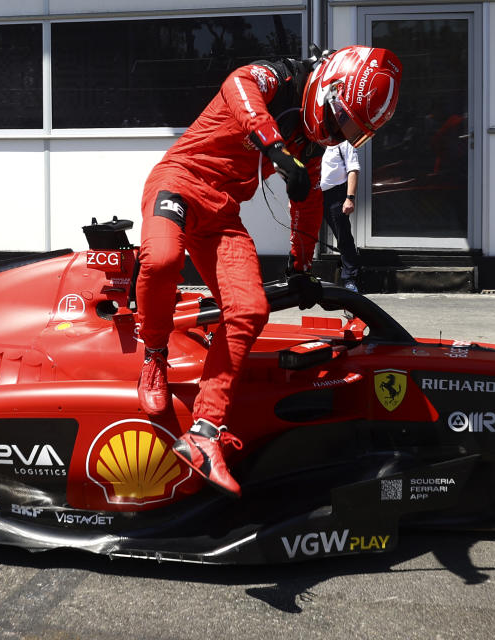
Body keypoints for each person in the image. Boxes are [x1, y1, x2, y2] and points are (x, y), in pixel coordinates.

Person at [135, 45, 402, 497]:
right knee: (162, 260)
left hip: (222, 215)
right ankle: (154, 356)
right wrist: (276, 148)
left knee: (251, 309)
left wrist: (300, 265)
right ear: (332, 85)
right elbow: (237, 83)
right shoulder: (280, 79)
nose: (339, 132)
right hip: (178, 182)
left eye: (353, 130)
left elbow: (310, 199)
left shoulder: (316, 145)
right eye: (342, 118)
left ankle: (204, 433)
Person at [321, 140, 361, 292]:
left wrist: (350, 198)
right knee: (303, 234)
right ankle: (299, 274)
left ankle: (350, 279)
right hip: (313, 192)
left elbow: (353, 169)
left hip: (335, 194)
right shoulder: (311, 139)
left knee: (343, 236)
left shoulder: (343, 142)